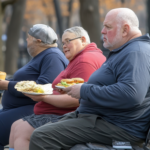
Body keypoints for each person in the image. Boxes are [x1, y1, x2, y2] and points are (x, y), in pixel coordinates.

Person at [29, 8, 150, 150]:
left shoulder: (136, 52)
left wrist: (84, 90)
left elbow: (131, 94)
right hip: (100, 118)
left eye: (108, 27)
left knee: (42, 137)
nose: (102, 31)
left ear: (125, 30)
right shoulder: (126, 50)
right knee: (40, 131)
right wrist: (77, 89)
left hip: (117, 126)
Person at [8, 26, 106, 150]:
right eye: (63, 42)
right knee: (16, 126)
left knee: (21, 131)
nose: (64, 46)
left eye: (68, 41)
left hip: (68, 116)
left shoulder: (84, 60)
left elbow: (78, 99)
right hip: (56, 113)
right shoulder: (81, 58)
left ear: (83, 40)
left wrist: (43, 97)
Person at [0, 24, 69, 150]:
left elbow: (44, 87)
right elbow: (29, 81)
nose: (26, 40)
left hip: (34, 109)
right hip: (19, 108)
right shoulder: (43, 56)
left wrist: (7, 85)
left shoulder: (52, 56)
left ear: (38, 41)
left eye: (28, 37)